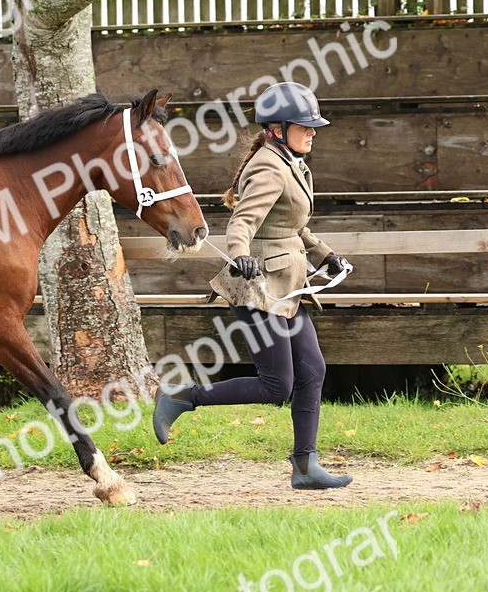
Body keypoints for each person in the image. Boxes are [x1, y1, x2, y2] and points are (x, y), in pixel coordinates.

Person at [152, 81, 354, 489]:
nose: (313, 131)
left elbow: (294, 225)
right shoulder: (268, 165)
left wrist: (325, 254)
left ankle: (305, 466)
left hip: (288, 286)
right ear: (278, 129)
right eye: (304, 125)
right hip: (257, 286)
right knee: (276, 385)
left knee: (312, 370)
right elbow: (243, 220)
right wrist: (239, 252)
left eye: (313, 126)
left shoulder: (291, 161)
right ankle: (180, 397)